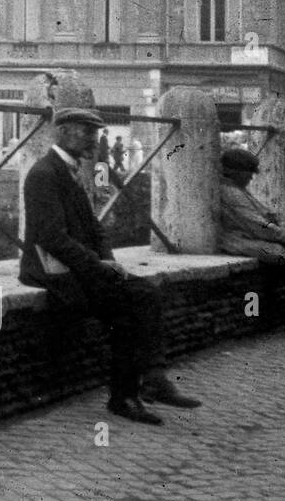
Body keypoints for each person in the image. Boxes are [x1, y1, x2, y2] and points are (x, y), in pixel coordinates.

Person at [20, 107, 202, 425]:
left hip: (78, 268)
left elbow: (95, 228)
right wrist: (99, 267)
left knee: (138, 299)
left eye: (96, 131)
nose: (94, 138)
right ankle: (139, 388)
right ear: (61, 131)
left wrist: (109, 261)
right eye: (86, 131)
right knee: (136, 300)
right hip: (53, 273)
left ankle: (140, 387)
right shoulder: (44, 174)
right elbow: (52, 238)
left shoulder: (70, 170)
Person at [218, 146, 285, 339]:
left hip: (250, 238)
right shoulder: (231, 193)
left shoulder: (236, 189)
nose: (251, 178)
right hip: (239, 241)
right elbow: (258, 226)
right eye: (248, 173)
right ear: (236, 172)